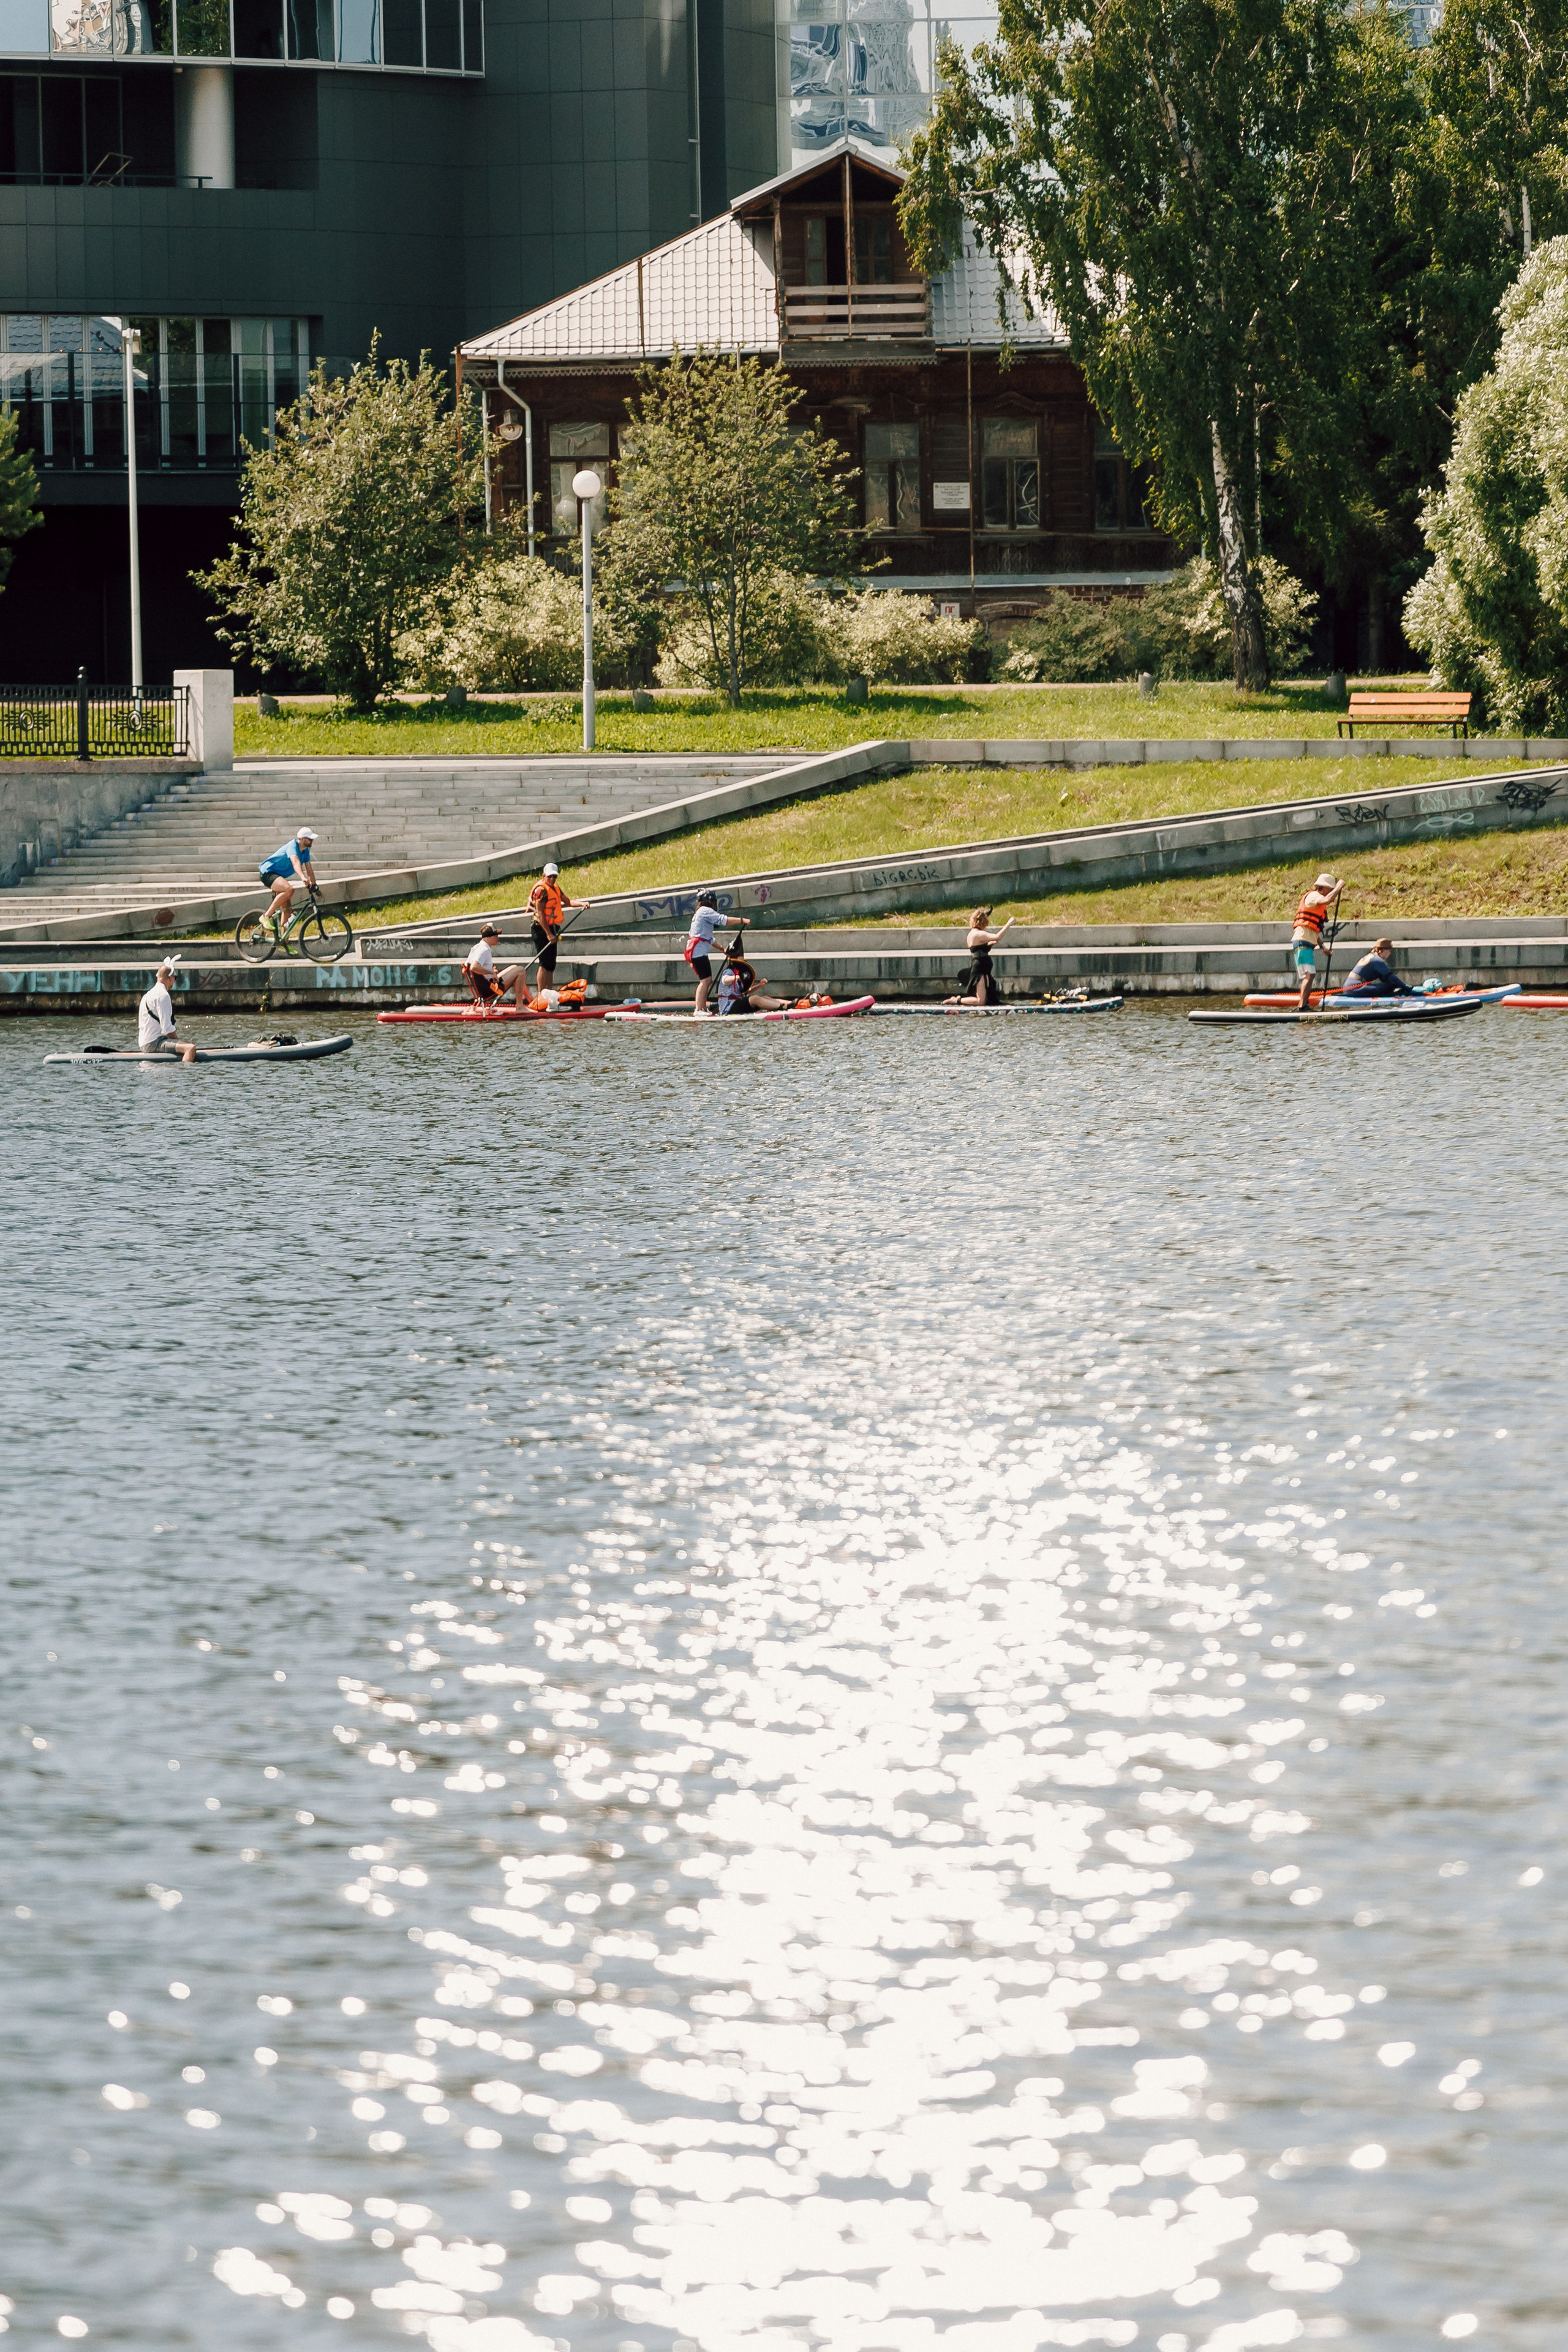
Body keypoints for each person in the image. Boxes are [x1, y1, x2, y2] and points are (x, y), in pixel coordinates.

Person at [527, 861, 592, 993]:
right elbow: (540, 914)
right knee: (544, 964)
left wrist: (582, 904)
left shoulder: (556, 887)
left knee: (551, 965)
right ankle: (541, 995)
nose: (552, 879)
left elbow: (568, 902)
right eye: (550, 876)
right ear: (544, 875)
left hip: (552, 928)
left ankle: (549, 994)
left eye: (554, 877)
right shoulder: (541, 891)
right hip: (541, 929)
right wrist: (548, 934)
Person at [686, 891, 745, 1014]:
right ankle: (698, 1010)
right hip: (698, 951)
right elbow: (724, 921)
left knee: (707, 979)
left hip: (699, 951)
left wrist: (722, 949)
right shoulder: (705, 911)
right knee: (705, 981)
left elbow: (709, 938)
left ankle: (702, 1008)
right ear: (710, 902)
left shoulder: (701, 912)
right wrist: (742, 920)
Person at [1292, 870, 1344, 1009]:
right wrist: (1339, 887)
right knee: (1310, 975)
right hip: (1301, 941)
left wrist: (1323, 947)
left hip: (1306, 942)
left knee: (1309, 975)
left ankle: (1304, 1004)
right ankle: (1302, 1006)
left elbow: (1314, 929)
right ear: (1324, 888)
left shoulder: (1317, 902)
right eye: (1330, 890)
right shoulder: (1314, 896)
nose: (1331, 892)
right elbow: (1328, 900)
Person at [946, 907, 1015, 1006]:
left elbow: (979, 950)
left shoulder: (973, 934)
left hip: (983, 968)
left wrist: (990, 944)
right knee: (981, 1001)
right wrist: (1009, 924)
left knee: (989, 999)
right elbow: (998, 937)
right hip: (980, 969)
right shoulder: (978, 934)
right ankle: (956, 1000)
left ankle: (959, 1000)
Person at [138, 955, 197, 1063]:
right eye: (175, 978)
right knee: (190, 1048)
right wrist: (179, 1043)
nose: (174, 982)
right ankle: (186, 1076)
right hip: (154, 1043)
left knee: (183, 1045)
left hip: (144, 1042)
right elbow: (167, 1029)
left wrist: (178, 1044)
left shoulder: (148, 995)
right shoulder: (163, 996)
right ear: (170, 978)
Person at [257, 826, 318, 932]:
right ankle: (266, 916)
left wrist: (315, 885)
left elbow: (309, 869)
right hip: (268, 873)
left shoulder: (306, 851)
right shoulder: (292, 846)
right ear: (303, 839)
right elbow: (295, 862)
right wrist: (303, 877)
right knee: (289, 889)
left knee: (288, 911)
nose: (312, 841)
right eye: (310, 839)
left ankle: (284, 944)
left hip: (278, 876)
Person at [462, 922, 530, 1011]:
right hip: (490, 989)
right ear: (489, 937)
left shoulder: (477, 947)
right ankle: (520, 1007)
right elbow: (474, 967)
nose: (498, 938)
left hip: (485, 984)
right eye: (496, 935)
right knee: (521, 970)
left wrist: (489, 972)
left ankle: (530, 1000)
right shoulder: (484, 949)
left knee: (514, 967)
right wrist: (491, 973)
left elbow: (468, 969)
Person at [715, 940, 788, 1016]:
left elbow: (746, 992)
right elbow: (725, 980)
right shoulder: (729, 972)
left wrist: (760, 985)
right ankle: (782, 1007)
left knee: (765, 997)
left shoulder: (740, 974)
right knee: (755, 999)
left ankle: (790, 1004)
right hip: (728, 1007)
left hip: (739, 1003)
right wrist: (736, 977)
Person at [1338, 937, 1417, 998]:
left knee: (1390, 985)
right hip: (1355, 989)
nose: (1390, 953)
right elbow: (1391, 977)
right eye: (1390, 950)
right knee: (1389, 987)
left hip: (1349, 988)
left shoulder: (1371, 957)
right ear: (1383, 950)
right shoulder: (1377, 961)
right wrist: (1405, 986)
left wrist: (1399, 985)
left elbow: (1386, 978)